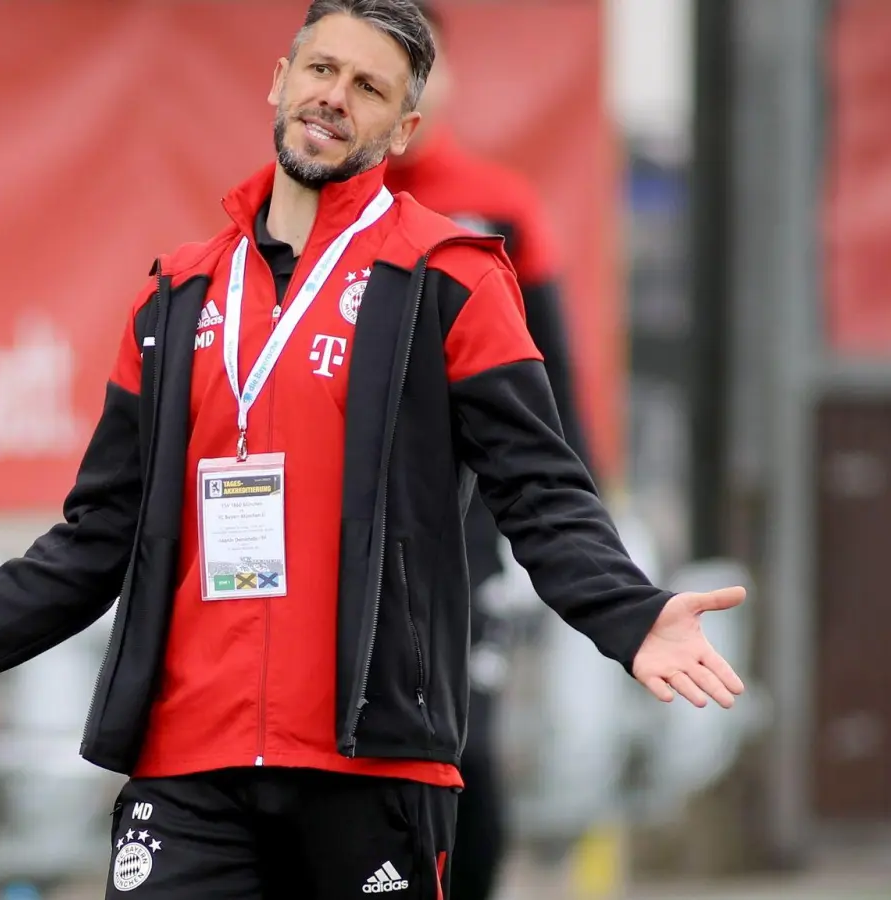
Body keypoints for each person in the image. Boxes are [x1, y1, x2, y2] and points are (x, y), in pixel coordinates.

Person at [0, 3, 745, 898]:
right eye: (321, 68)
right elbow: (89, 545)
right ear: (279, 82)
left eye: (370, 87)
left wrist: (631, 613)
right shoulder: (175, 297)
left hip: (371, 762)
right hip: (188, 767)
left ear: (404, 129)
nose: (335, 94)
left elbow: (543, 492)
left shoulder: (451, 281)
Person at [383, 4, 595, 896]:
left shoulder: (498, 208)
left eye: (405, 66)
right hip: (317, 538)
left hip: (460, 544)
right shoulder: (301, 207)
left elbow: (551, 405)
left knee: (462, 760)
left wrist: (582, 540)